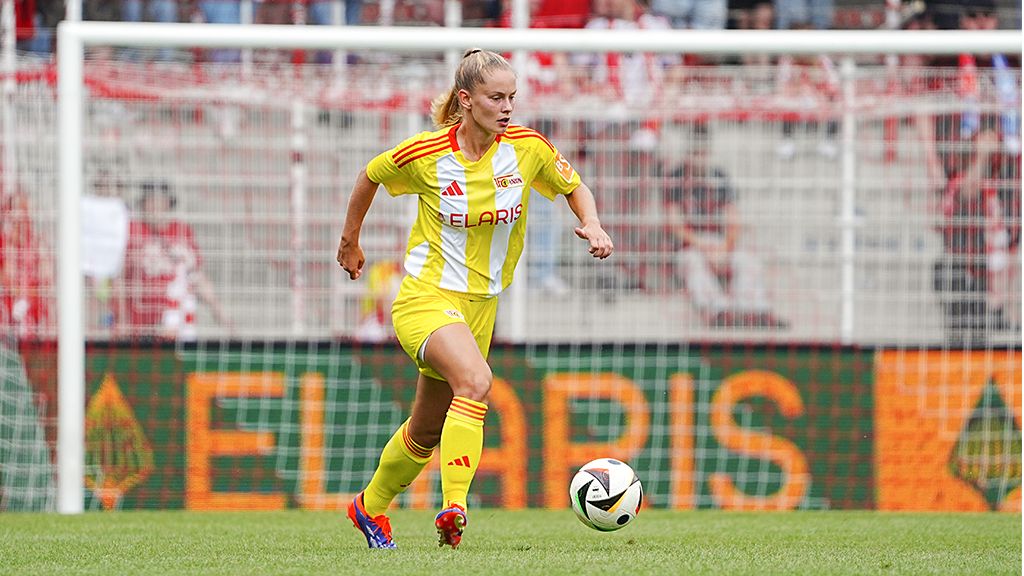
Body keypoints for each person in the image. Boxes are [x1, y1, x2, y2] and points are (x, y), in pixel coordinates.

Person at [336, 48, 613, 549]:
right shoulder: (426, 155)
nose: (507, 107)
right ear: (466, 100)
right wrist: (349, 241)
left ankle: (368, 508)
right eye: (495, 97)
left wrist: (590, 222)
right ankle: (455, 508)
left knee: (424, 433)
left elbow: (576, 188)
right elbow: (370, 175)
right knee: (476, 381)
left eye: (512, 97)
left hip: (481, 306)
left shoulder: (527, 149)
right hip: (426, 298)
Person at [663, 123, 786, 328]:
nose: (699, 157)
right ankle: (719, 312)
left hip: (719, 243)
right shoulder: (676, 178)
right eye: (695, 152)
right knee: (692, 263)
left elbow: (733, 219)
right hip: (691, 245)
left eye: (703, 152)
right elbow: (675, 224)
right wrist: (704, 246)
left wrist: (725, 247)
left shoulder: (719, 176)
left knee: (748, 260)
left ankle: (755, 311)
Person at [117, 180, 229, 340]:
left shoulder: (182, 230)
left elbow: (196, 274)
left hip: (175, 320)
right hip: (140, 324)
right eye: (150, 201)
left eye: (160, 201)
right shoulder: (133, 230)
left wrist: (219, 312)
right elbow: (119, 277)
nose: (155, 207)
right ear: (143, 204)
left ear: (169, 204)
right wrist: (122, 319)